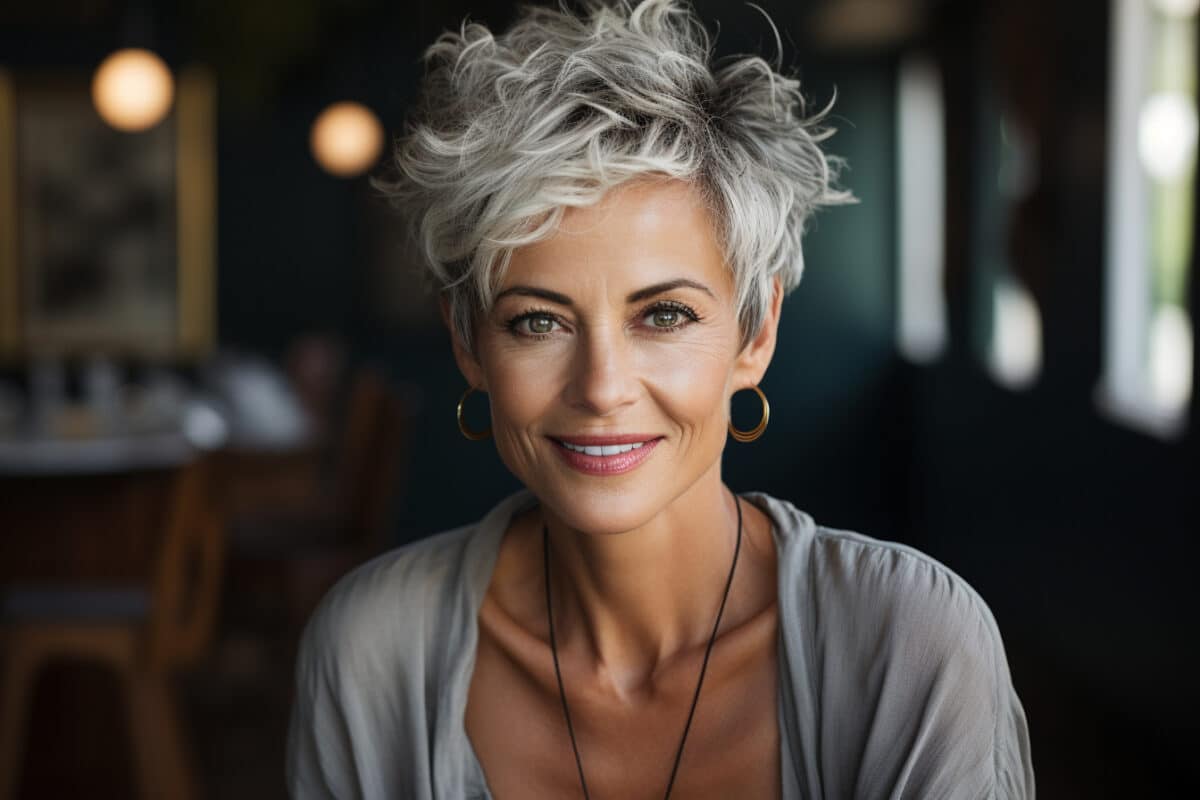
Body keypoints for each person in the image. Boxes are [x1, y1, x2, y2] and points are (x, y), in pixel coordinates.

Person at [285, 1, 1035, 797]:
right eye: (537, 321)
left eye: (665, 315)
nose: (602, 388)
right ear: (469, 343)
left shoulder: (915, 646)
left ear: (756, 333)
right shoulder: (368, 652)